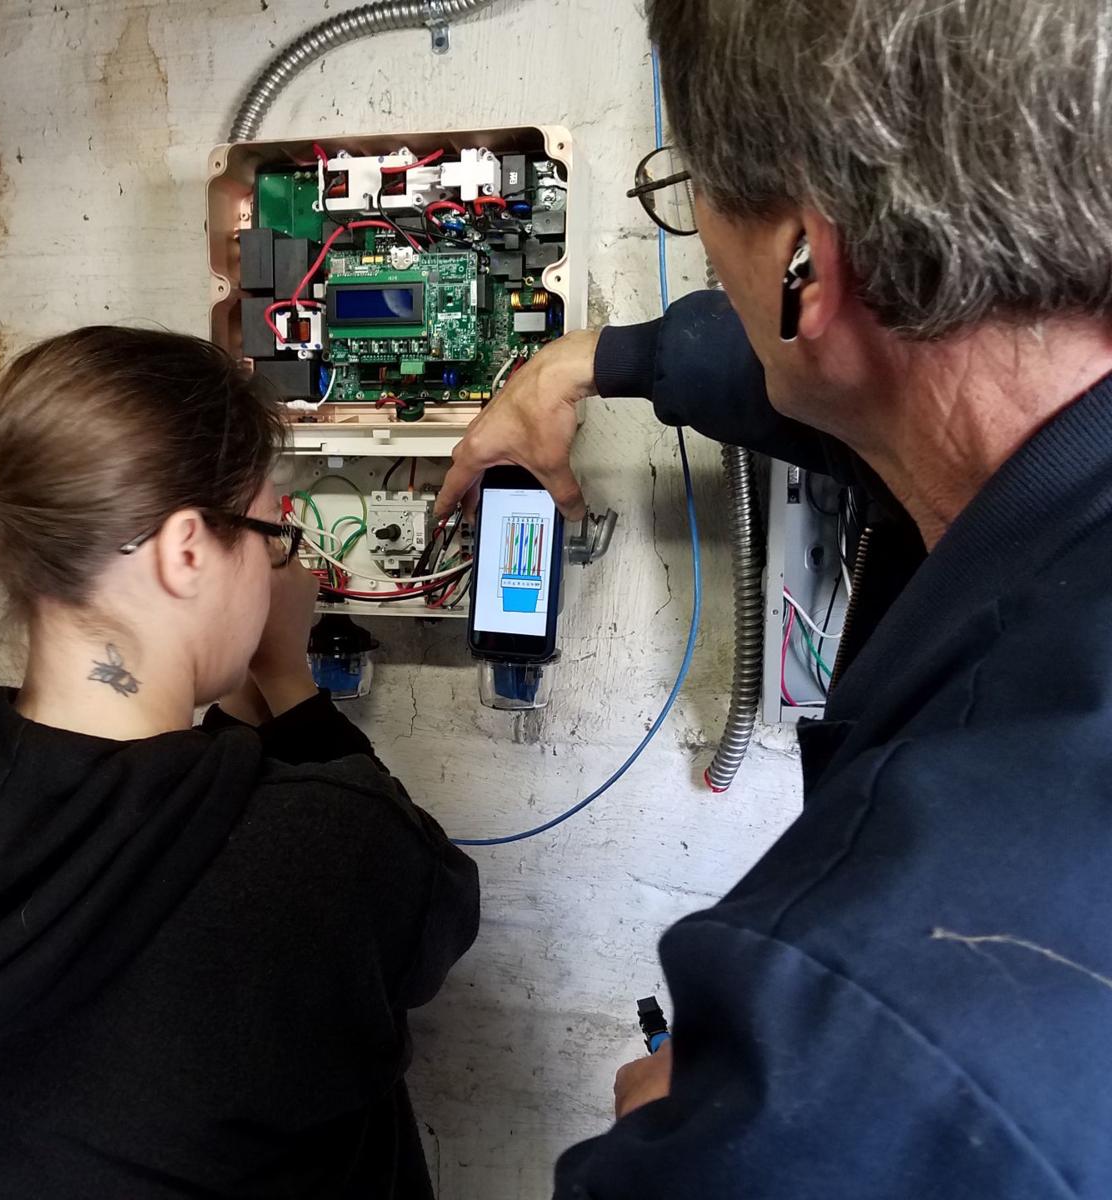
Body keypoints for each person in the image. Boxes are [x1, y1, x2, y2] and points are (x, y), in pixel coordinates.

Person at [438, 0, 1112, 1196]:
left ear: (807, 263)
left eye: (686, 189)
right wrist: (584, 360)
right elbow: (876, 361)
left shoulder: (848, 1032)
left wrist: (702, 1129)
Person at [0, 326, 479, 1199]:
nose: (273, 562)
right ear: (185, 550)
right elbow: (437, 918)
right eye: (264, 530)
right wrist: (288, 679)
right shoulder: (329, 846)